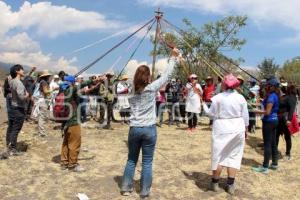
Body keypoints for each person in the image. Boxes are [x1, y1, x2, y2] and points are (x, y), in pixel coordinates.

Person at [120, 48, 180, 198]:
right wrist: (173, 57)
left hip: (134, 128)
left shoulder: (131, 90)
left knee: (131, 159)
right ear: (147, 77)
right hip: (149, 129)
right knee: (147, 161)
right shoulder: (151, 88)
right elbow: (167, 75)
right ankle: (145, 192)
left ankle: (126, 188)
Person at [202, 74, 249, 195]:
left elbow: (211, 114)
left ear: (224, 84)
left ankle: (215, 183)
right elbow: (245, 117)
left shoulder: (218, 98)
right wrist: (246, 130)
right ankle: (230, 185)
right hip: (237, 128)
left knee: (218, 156)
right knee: (234, 156)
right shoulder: (241, 98)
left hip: (221, 128)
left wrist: (203, 105)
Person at [60, 75, 102, 172]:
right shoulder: (71, 89)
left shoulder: (64, 90)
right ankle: (72, 165)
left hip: (66, 121)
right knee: (75, 143)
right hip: (73, 120)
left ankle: (64, 163)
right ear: (73, 83)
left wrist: (95, 86)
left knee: (66, 142)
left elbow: (82, 91)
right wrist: (96, 80)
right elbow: (82, 85)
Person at [252, 78, 280, 174]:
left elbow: (267, 112)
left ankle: (265, 167)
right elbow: (264, 105)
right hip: (274, 121)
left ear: (272, 86)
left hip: (269, 122)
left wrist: (255, 111)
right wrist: (253, 104)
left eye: (268, 85)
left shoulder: (271, 97)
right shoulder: (273, 95)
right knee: (273, 143)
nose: (266, 86)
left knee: (267, 144)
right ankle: (275, 163)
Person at [6, 64, 29, 155]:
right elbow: (21, 97)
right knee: (16, 129)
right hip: (19, 108)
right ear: (17, 71)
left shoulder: (11, 81)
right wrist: (27, 95)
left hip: (12, 107)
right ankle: (13, 149)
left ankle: (9, 144)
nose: (23, 71)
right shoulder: (18, 83)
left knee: (11, 127)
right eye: (22, 70)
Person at [276, 84, 297, 161]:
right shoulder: (286, 96)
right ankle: (275, 151)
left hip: (285, 119)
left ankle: (288, 154)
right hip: (279, 118)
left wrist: (289, 120)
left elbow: (292, 109)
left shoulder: (292, 97)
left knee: (287, 136)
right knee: (276, 135)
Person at [36, 71, 52, 137]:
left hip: (42, 100)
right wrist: (52, 90)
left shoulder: (42, 82)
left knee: (41, 116)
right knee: (42, 117)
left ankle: (41, 132)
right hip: (43, 101)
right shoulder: (44, 82)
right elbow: (45, 91)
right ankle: (41, 133)